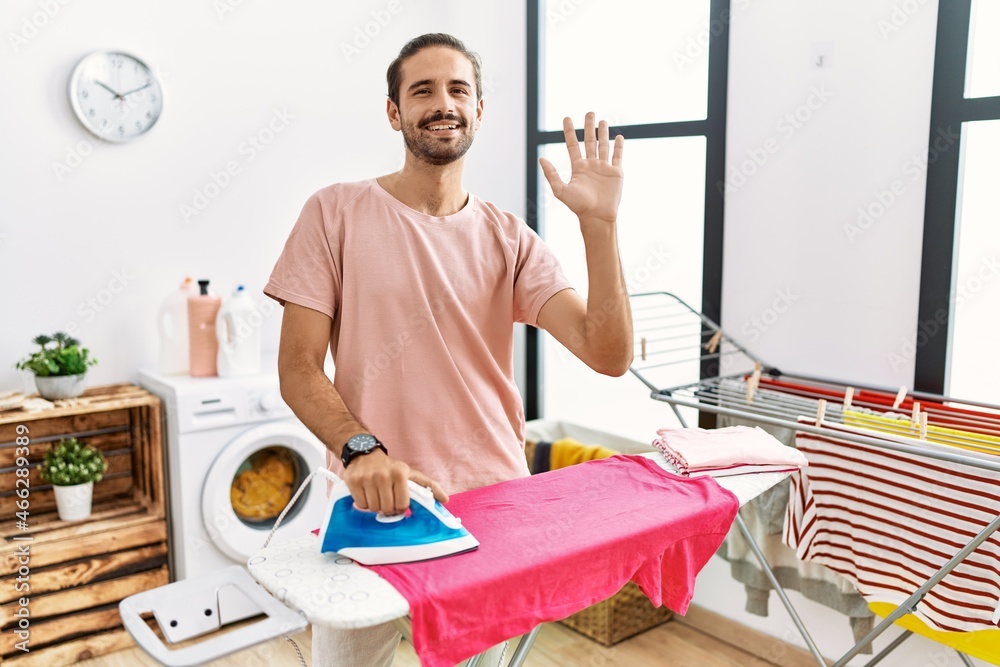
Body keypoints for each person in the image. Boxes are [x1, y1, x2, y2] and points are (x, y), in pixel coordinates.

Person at [264, 32, 632, 667]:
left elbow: (607, 352)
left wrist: (598, 227)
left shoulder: (510, 238)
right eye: (423, 90)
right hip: (369, 507)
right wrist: (362, 451)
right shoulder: (334, 213)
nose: (444, 103)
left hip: (490, 511)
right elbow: (298, 369)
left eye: (459, 89)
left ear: (479, 110)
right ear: (393, 111)